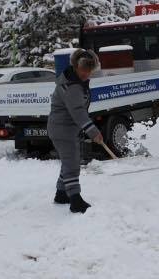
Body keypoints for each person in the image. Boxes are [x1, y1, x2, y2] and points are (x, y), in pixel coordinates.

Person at [47, 49, 103, 214]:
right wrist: (93, 132)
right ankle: (75, 200)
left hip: (65, 128)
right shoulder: (72, 86)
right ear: (76, 67)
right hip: (62, 129)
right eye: (84, 70)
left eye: (89, 71)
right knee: (72, 163)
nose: (86, 74)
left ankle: (61, 193)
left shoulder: (75, 80)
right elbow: (78, 111)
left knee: (69, 160)